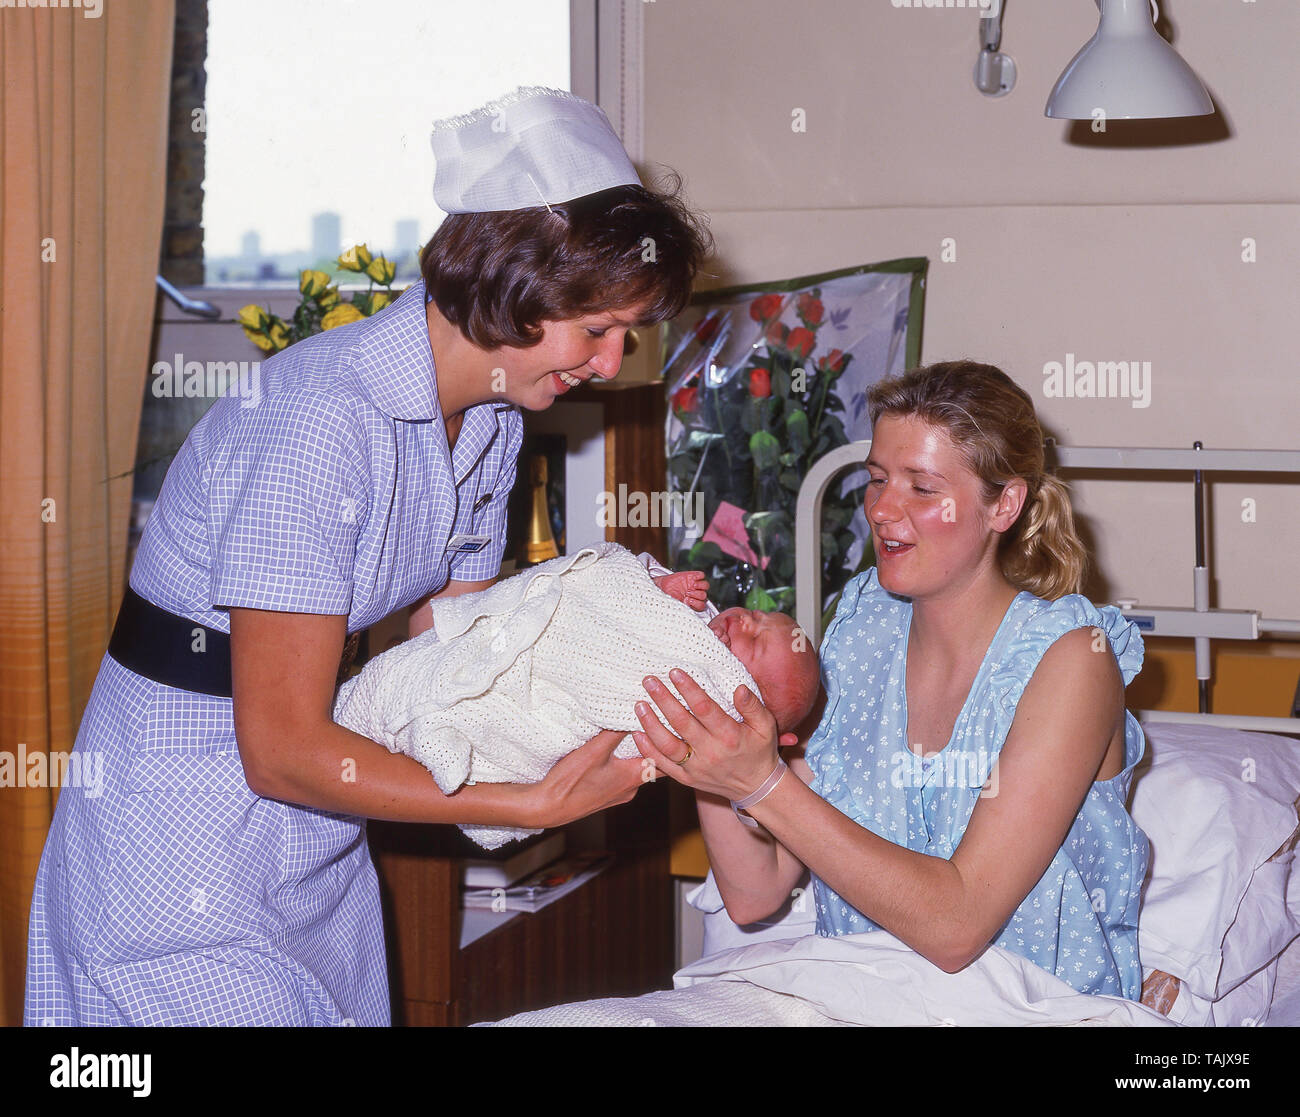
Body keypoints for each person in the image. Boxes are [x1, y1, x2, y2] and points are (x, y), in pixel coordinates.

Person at [24, 87, 711, 1025]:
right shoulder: (319, 422)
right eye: (597, 331)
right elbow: (279, 748)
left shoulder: (491, 424)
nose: (610, 363)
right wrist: (525, 803)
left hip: (316, 835)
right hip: (179, 836)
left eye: (623, 336)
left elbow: (462, 645)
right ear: (517, 283)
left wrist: (622, 615)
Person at [633, 360, 1151, 1001]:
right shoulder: (858, 633)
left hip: (1026, 1011)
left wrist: (760, 783)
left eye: (922, 489)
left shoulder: (1074, 660)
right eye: (877, 479)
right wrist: (713, 718)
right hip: (855, 1000)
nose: (881, 509)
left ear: (1005, 505)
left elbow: (958, 926)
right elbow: (753, 892)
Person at [331, 543, 821, 850]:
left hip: (551, 716)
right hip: (528, 652)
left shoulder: (710, 699)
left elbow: (654, 735)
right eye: (758, 617)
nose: (743, 624)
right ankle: (429, 719)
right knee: (431, 677)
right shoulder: (694, 613)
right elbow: (614, 584)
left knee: (511, 729)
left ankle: (445, 735)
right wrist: (657, 585)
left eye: (753, 646)